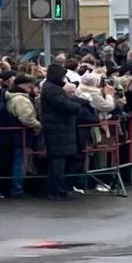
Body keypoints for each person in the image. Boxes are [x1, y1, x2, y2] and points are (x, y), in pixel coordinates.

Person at [40, 63, 83, 201]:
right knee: (58, 162)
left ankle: (54, 189)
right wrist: (78, 106)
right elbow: (64, 105)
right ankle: (58, 190)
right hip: (58, 130)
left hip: (57, 129)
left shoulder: (49, 87)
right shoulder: (53, 89)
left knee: (57, 162)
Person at [5, 75, 41, 198]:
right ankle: (17, 189)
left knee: (18, 161)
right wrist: (37, 126)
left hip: (16, 134)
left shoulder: (11, 97)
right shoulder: (21, 99)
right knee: (20, 163)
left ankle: (17, 188)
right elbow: (27, 118)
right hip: (22, 134)